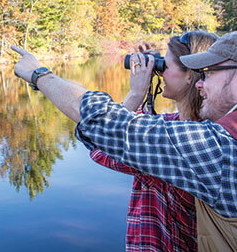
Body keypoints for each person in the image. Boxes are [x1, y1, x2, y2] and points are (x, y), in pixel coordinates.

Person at [11, 29, 237, 251]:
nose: (201, 83)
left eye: (209, 74)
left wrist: (41, 75)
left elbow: (107, 126)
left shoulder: (223, 149)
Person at [90, 31, 218, 251]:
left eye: (164, 66)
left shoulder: (177, 141)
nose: (158, 70)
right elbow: (139, 128)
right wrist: (149, 85)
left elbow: (101, 149)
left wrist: (135, 93)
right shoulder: (207, 128)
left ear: (189, 75)